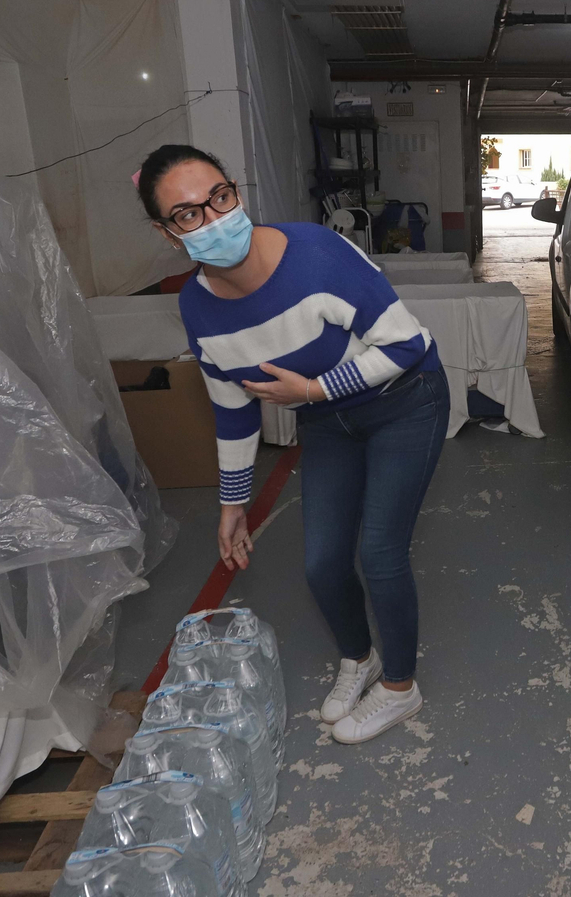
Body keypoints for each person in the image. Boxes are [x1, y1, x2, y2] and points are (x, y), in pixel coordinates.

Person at [136, 144, 449, 745]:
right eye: (188, 214)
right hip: (328, 420)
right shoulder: (197, 307)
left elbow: (407, 345)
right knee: (323, 562)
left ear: (236, 192)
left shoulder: (314, 254)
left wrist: (313, 387)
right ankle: (361, 658)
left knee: (380, 553)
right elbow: (232, 408)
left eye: (220, 198)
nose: (214, 219)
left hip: (404, 403)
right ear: (168, 233)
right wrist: (234, 506)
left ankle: (400, 688)